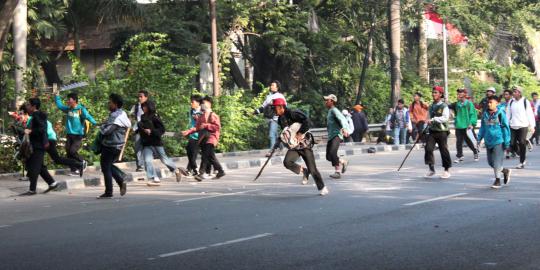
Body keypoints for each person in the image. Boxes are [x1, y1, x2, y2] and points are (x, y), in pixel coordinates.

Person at [272, 98, 328, 195]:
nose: (274, 110)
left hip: (304, 144)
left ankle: (322, 187)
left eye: (275, 108)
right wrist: (277, 143)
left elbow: (306, 121)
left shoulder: (293, 113)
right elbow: (285, 133)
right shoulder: (281, 119)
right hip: (294, 146)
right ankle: (304, 171)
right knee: (287, 162)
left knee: (313, 169)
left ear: (281, 107)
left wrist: (300, 132)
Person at [19, 98, 59, 196]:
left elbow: (42, 129)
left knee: (34, 168)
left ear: (34, 106)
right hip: (37, 144)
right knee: (39, 167)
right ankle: (52, 183)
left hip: (38, 145)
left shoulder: (37, 115)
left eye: (28, 105)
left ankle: (32, 190)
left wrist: (30, 131)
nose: (27, 107)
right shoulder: (35, 115)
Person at [138, 100, 182, 186]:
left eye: (145, 106)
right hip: (147, 143)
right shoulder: (142, 117)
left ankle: (176, 169)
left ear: (150, 107)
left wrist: (151, 131)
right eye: (143, 106)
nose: (144, 108)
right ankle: (152, 178)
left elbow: (162, 130)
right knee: (147, 161)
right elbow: (141, 129)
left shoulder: (155, 117)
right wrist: (140, 129)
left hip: (156, 142)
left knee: (164, 159)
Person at [54, 91, 97, 176]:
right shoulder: (68, 109)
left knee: (72, 151)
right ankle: (74, 170)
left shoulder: (80, 109)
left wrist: (95, 123)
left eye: (69, 100)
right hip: (69, 134)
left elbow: (88, 116)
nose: (67, 101)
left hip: (78, 135)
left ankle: (82, 161)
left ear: (74, 100)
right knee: (68, 152)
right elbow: (59, 105)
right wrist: (56, 96)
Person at [97, 94, 131, 199]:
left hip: (110, 145)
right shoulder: (122, 113)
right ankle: (121, 181)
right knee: (108, 166)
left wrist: (101, 126)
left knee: (105, 167)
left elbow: (107, 131)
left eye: (110, 102)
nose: (108, 104)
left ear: (115, 104)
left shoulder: (114, 116)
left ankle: (109, 191)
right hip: (118, 145)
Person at [184, 96, 225, 181]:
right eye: (202, 103)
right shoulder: (201, 116)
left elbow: (217, 127)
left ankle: (201, 173)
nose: (202, 105)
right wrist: (188, 132)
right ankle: (220, 171)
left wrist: (207, 125)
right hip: (203, 138)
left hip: (212, 138)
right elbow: (197, 127)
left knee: (205, 156)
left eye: (204, 103)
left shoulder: (213, 115)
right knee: (211, 156)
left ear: (209, 104)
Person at [477, 96, 512, 189]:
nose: (489, 104)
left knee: (496, 162)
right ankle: (505, 171)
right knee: (491, 162)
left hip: (499, 141)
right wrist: (479, 138)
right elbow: (483, 127)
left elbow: (506, 128)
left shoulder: (500, 114)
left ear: (497, 103)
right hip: (488, 141)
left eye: (491, 102)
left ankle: (497, 180)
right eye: (488, 102)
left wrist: (507, 142)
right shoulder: (485, 114)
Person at [252, 80, 286, 157]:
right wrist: (254, 112)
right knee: (275, 135)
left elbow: (284, 108)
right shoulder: (269, 96)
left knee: (271, 135)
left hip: (277, 118)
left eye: (273, 85)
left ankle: (272, 151)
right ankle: (281, 149)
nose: (271, 86)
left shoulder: (280, 96)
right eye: (271, 85)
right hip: (270, 118)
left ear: (277, 88)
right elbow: (263, 107)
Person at [424, 86, 452, 179]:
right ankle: (431, 169)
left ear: (440, 94)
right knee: (428, 148)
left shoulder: (444, 106)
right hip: (432, 131)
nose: (433, 94)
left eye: (436, 92)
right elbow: (428, 117)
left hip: (442, 131)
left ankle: (446, 170)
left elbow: (445, 118)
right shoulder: (431, 106)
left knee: (443, 150)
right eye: (433, 92)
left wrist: (434, 119)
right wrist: (426, 124)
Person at [507, 86, 536, 169]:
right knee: (512, 143)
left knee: (522, 143)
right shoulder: (511, 102)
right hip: (513, 125)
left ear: (519, 93)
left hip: (523, 125)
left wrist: (532, 126)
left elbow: (530, 114)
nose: (514, 93)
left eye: (515, 92)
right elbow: (508, 113)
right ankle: (521, 154)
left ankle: (522, 161)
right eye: (513, 92)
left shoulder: (525, 101)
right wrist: (506, 123)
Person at [324, 94, 350, 179]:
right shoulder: (330, 111)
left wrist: (345, 129)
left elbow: (342, 119)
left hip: (337, 135)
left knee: (333, 153)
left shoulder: (334, 110)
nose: (326, 102)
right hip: (331, 136)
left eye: (327, 100)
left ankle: (337, 172)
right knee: (328, 156)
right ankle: (343, 161)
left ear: (332, 101)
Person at [450, 88, 479, 163]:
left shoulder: (469, 104)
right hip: (459, 125)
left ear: (465, 94)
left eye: (461, 93)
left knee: (469, 141)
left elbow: (473, 114)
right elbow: (448, 106)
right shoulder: (457, 104)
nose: (459, 94)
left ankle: (475, 152)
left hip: (467, 126)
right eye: (458, 93)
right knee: (459, 142)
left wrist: (471, 123)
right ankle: (459, 156)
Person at [179, 95, 204, 177]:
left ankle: (194, 170)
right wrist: (188, 131)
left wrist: (198, 119)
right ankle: (191, 169)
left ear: (198, 103)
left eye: (193, 102)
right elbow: (191, 123)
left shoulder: (203, 111)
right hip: (192, 134)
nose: (191, 103)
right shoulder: (191, 111)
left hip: (201, 136)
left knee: (194, 154)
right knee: (190, 151)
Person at [130, 90, 149, 172]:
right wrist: (130, 121)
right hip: (138, 129)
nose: (139, 98)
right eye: (139, 96)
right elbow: (130, 114)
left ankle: (148, 165)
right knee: (138, 147)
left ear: (146, 97)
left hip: (148, 130)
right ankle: (140, 166)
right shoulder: (136, 106)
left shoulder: (150, 106)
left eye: (141, 96)